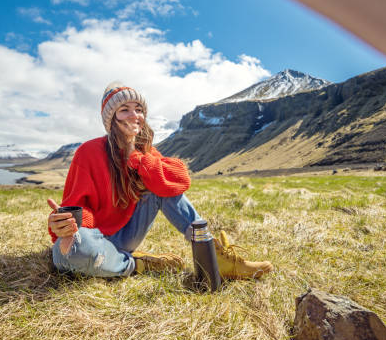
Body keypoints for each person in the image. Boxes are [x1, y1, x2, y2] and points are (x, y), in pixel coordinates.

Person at [47, 82, 272, 279]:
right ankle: (137, 264)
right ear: (111, 120)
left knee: (159, 182)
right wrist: (66, 226)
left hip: (127, 234)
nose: (134, 115)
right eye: (124, 110)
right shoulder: (88, 152)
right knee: (68, 255)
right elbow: (75, 206)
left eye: (139, 109)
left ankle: (211, 253)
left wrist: (136, 158)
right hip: (93, 236)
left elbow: (179, 181)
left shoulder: (146, 152)